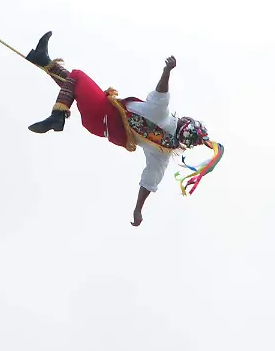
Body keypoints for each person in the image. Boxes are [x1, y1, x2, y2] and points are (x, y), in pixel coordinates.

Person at [25, 31, 222, 226]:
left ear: (185, 122)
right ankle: (42, 60)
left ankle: (57, 117)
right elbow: (149, 182)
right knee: (75, 84)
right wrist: (138, 209)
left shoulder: (162, 115)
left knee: (77, 76)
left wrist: (167, 71)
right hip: (101, 124)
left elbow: (162, 92)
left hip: (104, 112)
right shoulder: (163, 152)